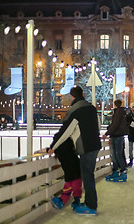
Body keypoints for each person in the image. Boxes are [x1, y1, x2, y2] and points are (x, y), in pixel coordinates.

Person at [49, 86, 101, 215]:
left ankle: (91, 206)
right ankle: (89, 203)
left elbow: (65, 131)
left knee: (87, 176)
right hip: (95, 145)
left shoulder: (76, 111)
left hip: (86, 147)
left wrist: (53, 147)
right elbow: (98, 125)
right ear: (82, 94)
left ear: (72, 97)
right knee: (89, 175)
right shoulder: (91, 108)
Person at [48, 137, 82, 211]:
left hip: (73, 171)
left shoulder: (60, 147)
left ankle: (67, 201)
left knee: (72, 186)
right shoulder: (69, 145)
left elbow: (51, 148)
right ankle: (72, 201)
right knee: (73, 187)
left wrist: (49, 149)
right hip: (73, 171)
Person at [102, 99, 127, 182]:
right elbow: (115, 124)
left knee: (117, 154)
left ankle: (122, 171)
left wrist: (107, 133)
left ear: (115, 105)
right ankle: (116, 170)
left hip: (117, 136)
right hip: (116, 136)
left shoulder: (118, 112)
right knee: (116, 154)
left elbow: (115, 124)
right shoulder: (120, 112)